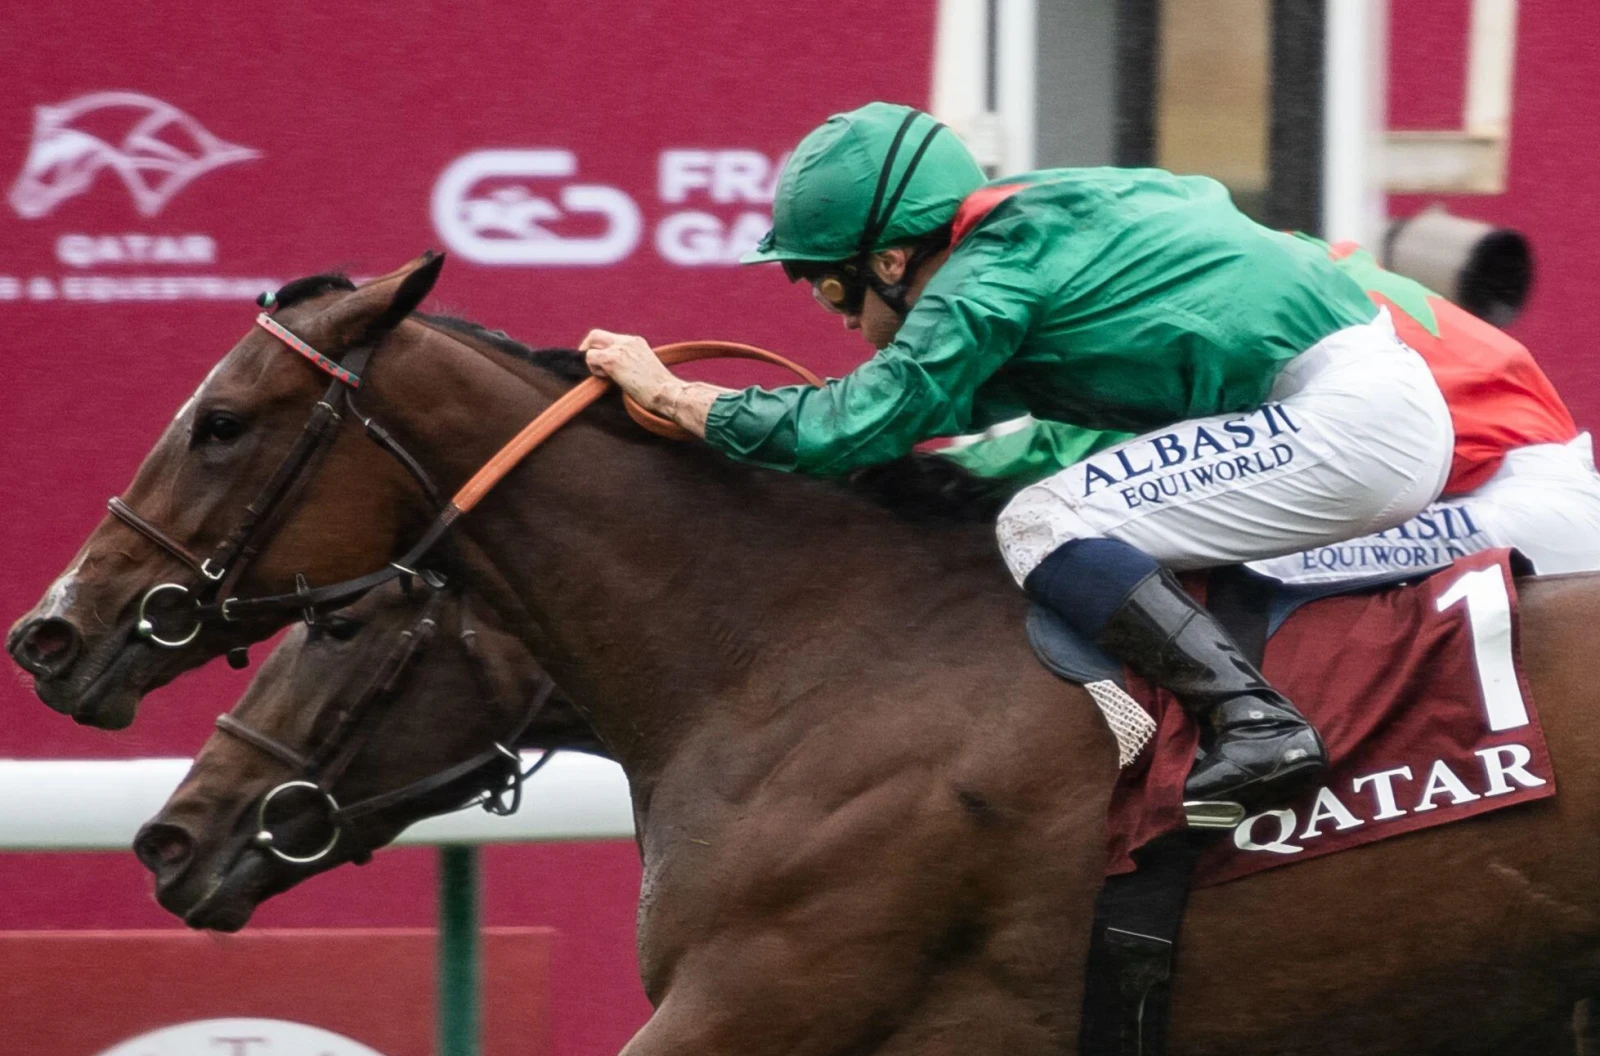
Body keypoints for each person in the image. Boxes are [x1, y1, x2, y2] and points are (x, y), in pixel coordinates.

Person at [581, 102, 1458, 810]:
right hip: (1352, 403)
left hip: (1343, 419)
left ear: (891, 258)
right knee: (1074, 515)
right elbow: (914, 418)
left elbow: (858, 422)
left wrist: (680, 399)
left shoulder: (990, 272)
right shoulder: (1025, 226)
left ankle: (1256, 724)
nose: (841, 318)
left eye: (833, 285)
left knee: (1045, 521)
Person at [942, 237, 1600, 585]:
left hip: (1513, 507)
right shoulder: (1278, 268)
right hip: (1528, 487)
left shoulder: (1218, 308)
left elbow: (1080, 443)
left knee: (1234, 564)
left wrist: (941, 469)